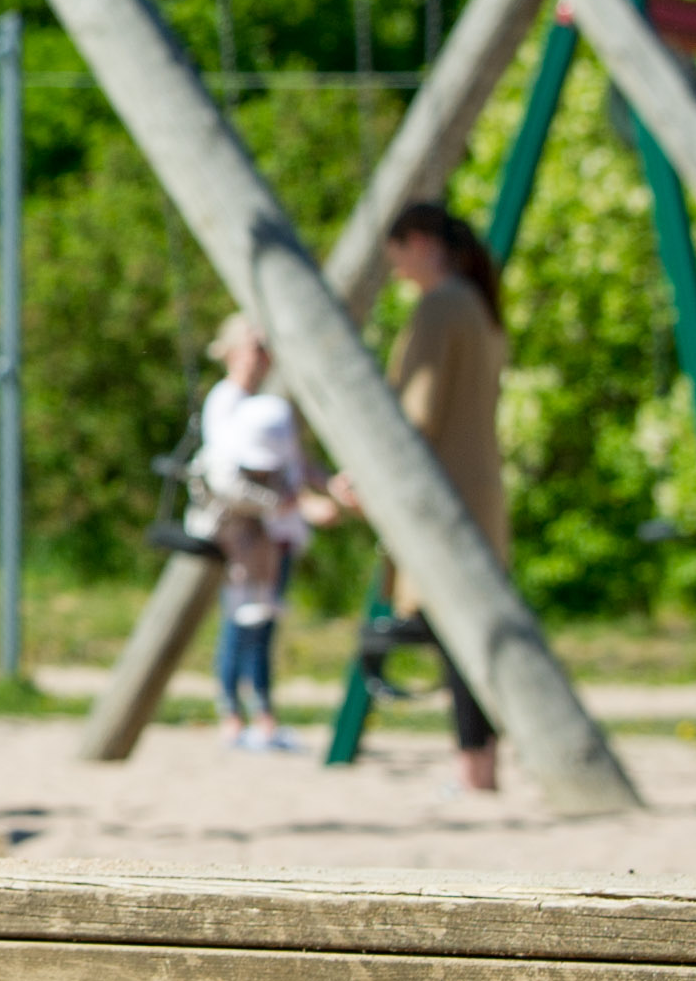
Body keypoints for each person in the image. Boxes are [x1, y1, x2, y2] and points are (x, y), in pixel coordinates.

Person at [333, 201, 512, 793]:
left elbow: (418, 410)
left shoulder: (440, 306)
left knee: (454, 632)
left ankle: (473, 765)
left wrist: (366, 475)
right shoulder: (477, 302)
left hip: (444, 493)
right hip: (478, 486)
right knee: (469, 632)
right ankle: (480, 762)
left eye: (398, 254)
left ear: (419, 243)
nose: (397, 269)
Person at [190, 315, 335, 750]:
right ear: (233, 350)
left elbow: (293, 461)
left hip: (276, 531)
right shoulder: (227, 401)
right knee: (241, 620)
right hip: (247, 533)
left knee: (264, 622)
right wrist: (290, 502)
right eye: (257, 347)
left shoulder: (264, 403)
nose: (264, 357)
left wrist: (324, 486)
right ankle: (233, 713)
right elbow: (230, 474)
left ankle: (264, 714)